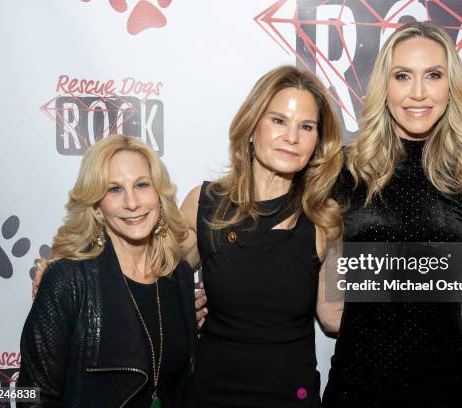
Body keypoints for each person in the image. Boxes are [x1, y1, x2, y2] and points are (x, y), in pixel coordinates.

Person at [322, 22, 462, 408]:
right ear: (384, 87)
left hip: (442, 391)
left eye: (434, 76)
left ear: (450, 88)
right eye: (403, 76)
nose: (419, 92)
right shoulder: (344, 172)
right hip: (353, 389)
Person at [180, 65, 344, 407]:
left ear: (317, 141)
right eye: (279, 120)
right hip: (211, 395)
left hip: (290, 397)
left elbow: (335, 317)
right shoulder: (204, 204)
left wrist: (432, 326)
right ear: (252, 127)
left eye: (307, 126)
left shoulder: (324, 220)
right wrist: (67, 270)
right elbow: (146, 272)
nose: (292, 137)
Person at [17, 135, 198, 407]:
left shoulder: (178, 275)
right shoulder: (67, 281)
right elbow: (32, 396)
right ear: (97, 206)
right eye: (114, 189)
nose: (132, 202)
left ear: (159, 195)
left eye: (142, 185)